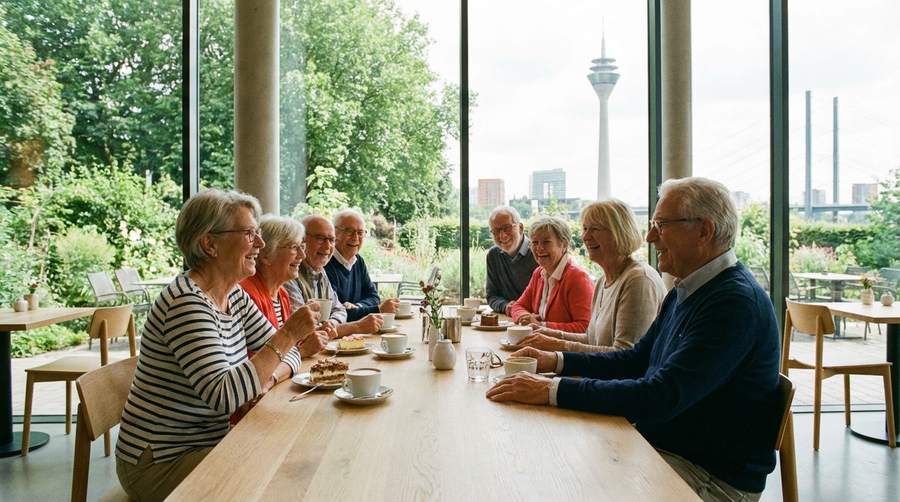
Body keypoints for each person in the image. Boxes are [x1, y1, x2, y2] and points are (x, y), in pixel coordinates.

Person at [487, 178, 782, 502]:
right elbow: (636, 359)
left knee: (562, 480)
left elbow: (659, 396)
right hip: (664, 448)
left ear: (704, 231)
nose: (651, 237)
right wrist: (556, 361)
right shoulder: (686, 290)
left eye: (661, 225)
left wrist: (550, 389)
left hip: (707, 476)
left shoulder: (734, 304)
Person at [115, 189, 320, 502]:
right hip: (160, 462)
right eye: (249, 233)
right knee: (281, 477)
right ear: (209, 244)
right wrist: (288, 334)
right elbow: (226, 396)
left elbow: (289, 354)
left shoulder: (233, 294)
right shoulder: (186, 303)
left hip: (207, 442)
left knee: (296, 454)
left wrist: (266, 379)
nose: (260, 243)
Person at [517, 199, 666, 353]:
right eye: (585, 228)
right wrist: (547, 333)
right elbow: (591, 339)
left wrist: (559, 348)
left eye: (595, 229)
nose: (585, 236)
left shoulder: (639, 279)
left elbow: (624, 355)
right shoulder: (604, 280)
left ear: (619, 232)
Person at [239, 214, 331, 361]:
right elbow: (258, 361)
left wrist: (309, 335)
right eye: (294, 247)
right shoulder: (247, 295)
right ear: (265, 255)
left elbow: (286, 344)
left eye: (302, 247)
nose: (302, 255)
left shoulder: (281, 293)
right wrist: (302, 351)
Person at [283, 214, 384, 335]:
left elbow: (340, 309)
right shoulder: (291, 274)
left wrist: (332, 323)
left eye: (331, 240)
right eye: (320, 239)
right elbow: (302, 326)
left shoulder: (320, 270)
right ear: (301, 240)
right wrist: (356, 326)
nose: (327, 246)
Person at [509, 216, 593, 333]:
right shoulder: (539, 273)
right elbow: (518, 306)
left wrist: (542, 325)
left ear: (564, 245)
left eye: (546, 242)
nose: (539, 248)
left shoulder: (577, 277)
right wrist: (525, 317)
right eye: (535, 242)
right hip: (541, 342)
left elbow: (586, 328)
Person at [324, 209, 399, 322]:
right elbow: (337, 314)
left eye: (360, 233)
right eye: (349, 231)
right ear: (335, 233)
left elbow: (373, 297)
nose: (355, 238)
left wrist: (357, 306)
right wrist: (378, 309)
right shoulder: (325, 264)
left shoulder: (358, 261)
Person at [485, 206, 539, 316]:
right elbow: (492, 295)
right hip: (509, 320)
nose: (502, 235)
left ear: (520, 228)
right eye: (496, 231)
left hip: (536, 319)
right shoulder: (493, 255)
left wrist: (520, 309)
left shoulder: (538, 252)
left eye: (507, 228)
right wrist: (506, 307)